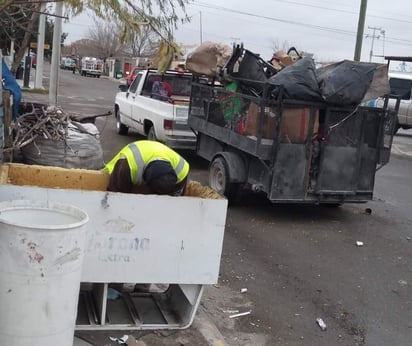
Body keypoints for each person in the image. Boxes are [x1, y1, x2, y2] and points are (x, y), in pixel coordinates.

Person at [102, 140, 189, 196]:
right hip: (121, 172)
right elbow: (114, 198)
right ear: (146, 181)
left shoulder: (181, 169)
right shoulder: (126, 167)